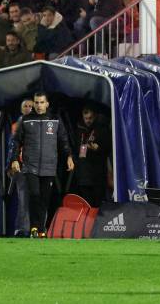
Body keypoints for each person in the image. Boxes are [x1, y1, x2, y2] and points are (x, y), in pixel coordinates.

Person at [9, 92, 74, 238]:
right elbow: (16, 141)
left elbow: (63, 140)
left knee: (44, 199)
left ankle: (41, 229)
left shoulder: (55, 120)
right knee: (34, 195)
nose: (39, 106)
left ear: (47, 104)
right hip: (29, 166)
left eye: (41, 102)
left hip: (49, 167)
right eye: (36, 103)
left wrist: (69, 156)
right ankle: (34, 227)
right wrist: (14, 159)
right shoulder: (25, 120)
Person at [74, 106, 111, 207]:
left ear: (95, 117)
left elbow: (109, 148)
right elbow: (77, 149)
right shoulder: (79, 129)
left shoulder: (102, 129)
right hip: (84, 175)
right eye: (86, 118)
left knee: (98, 205)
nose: (88, 121)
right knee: (87, 205)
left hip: (98, 175)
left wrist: (98, 149)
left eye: (90, 118)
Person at [8, 98, 34, 237]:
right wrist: (10, 164)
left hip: (36, 166)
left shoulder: (37, 124)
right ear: (21, 109)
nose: (28, 108)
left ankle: (32, 228)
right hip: (21, 166)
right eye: (25, 106)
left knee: (34, 198)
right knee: (23, 198)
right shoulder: (16, 125)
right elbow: (11, 147)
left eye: (31, 106)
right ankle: (23, 230)